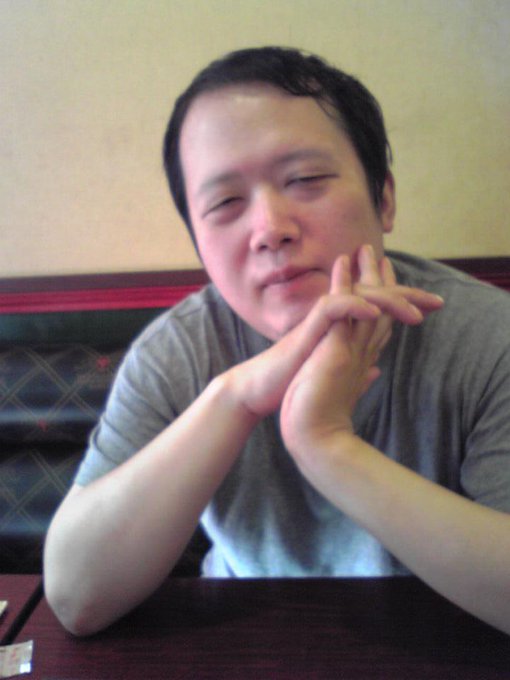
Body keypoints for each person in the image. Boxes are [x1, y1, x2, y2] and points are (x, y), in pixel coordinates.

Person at [44, 46, 510, 636]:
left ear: (384, 198)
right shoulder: (176, 352)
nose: (269, 229)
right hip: (237, 641)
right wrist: (236, 398)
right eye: (225, 203)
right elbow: (76, 597)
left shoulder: (486, 336)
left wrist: (324, 442)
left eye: (306, 180)